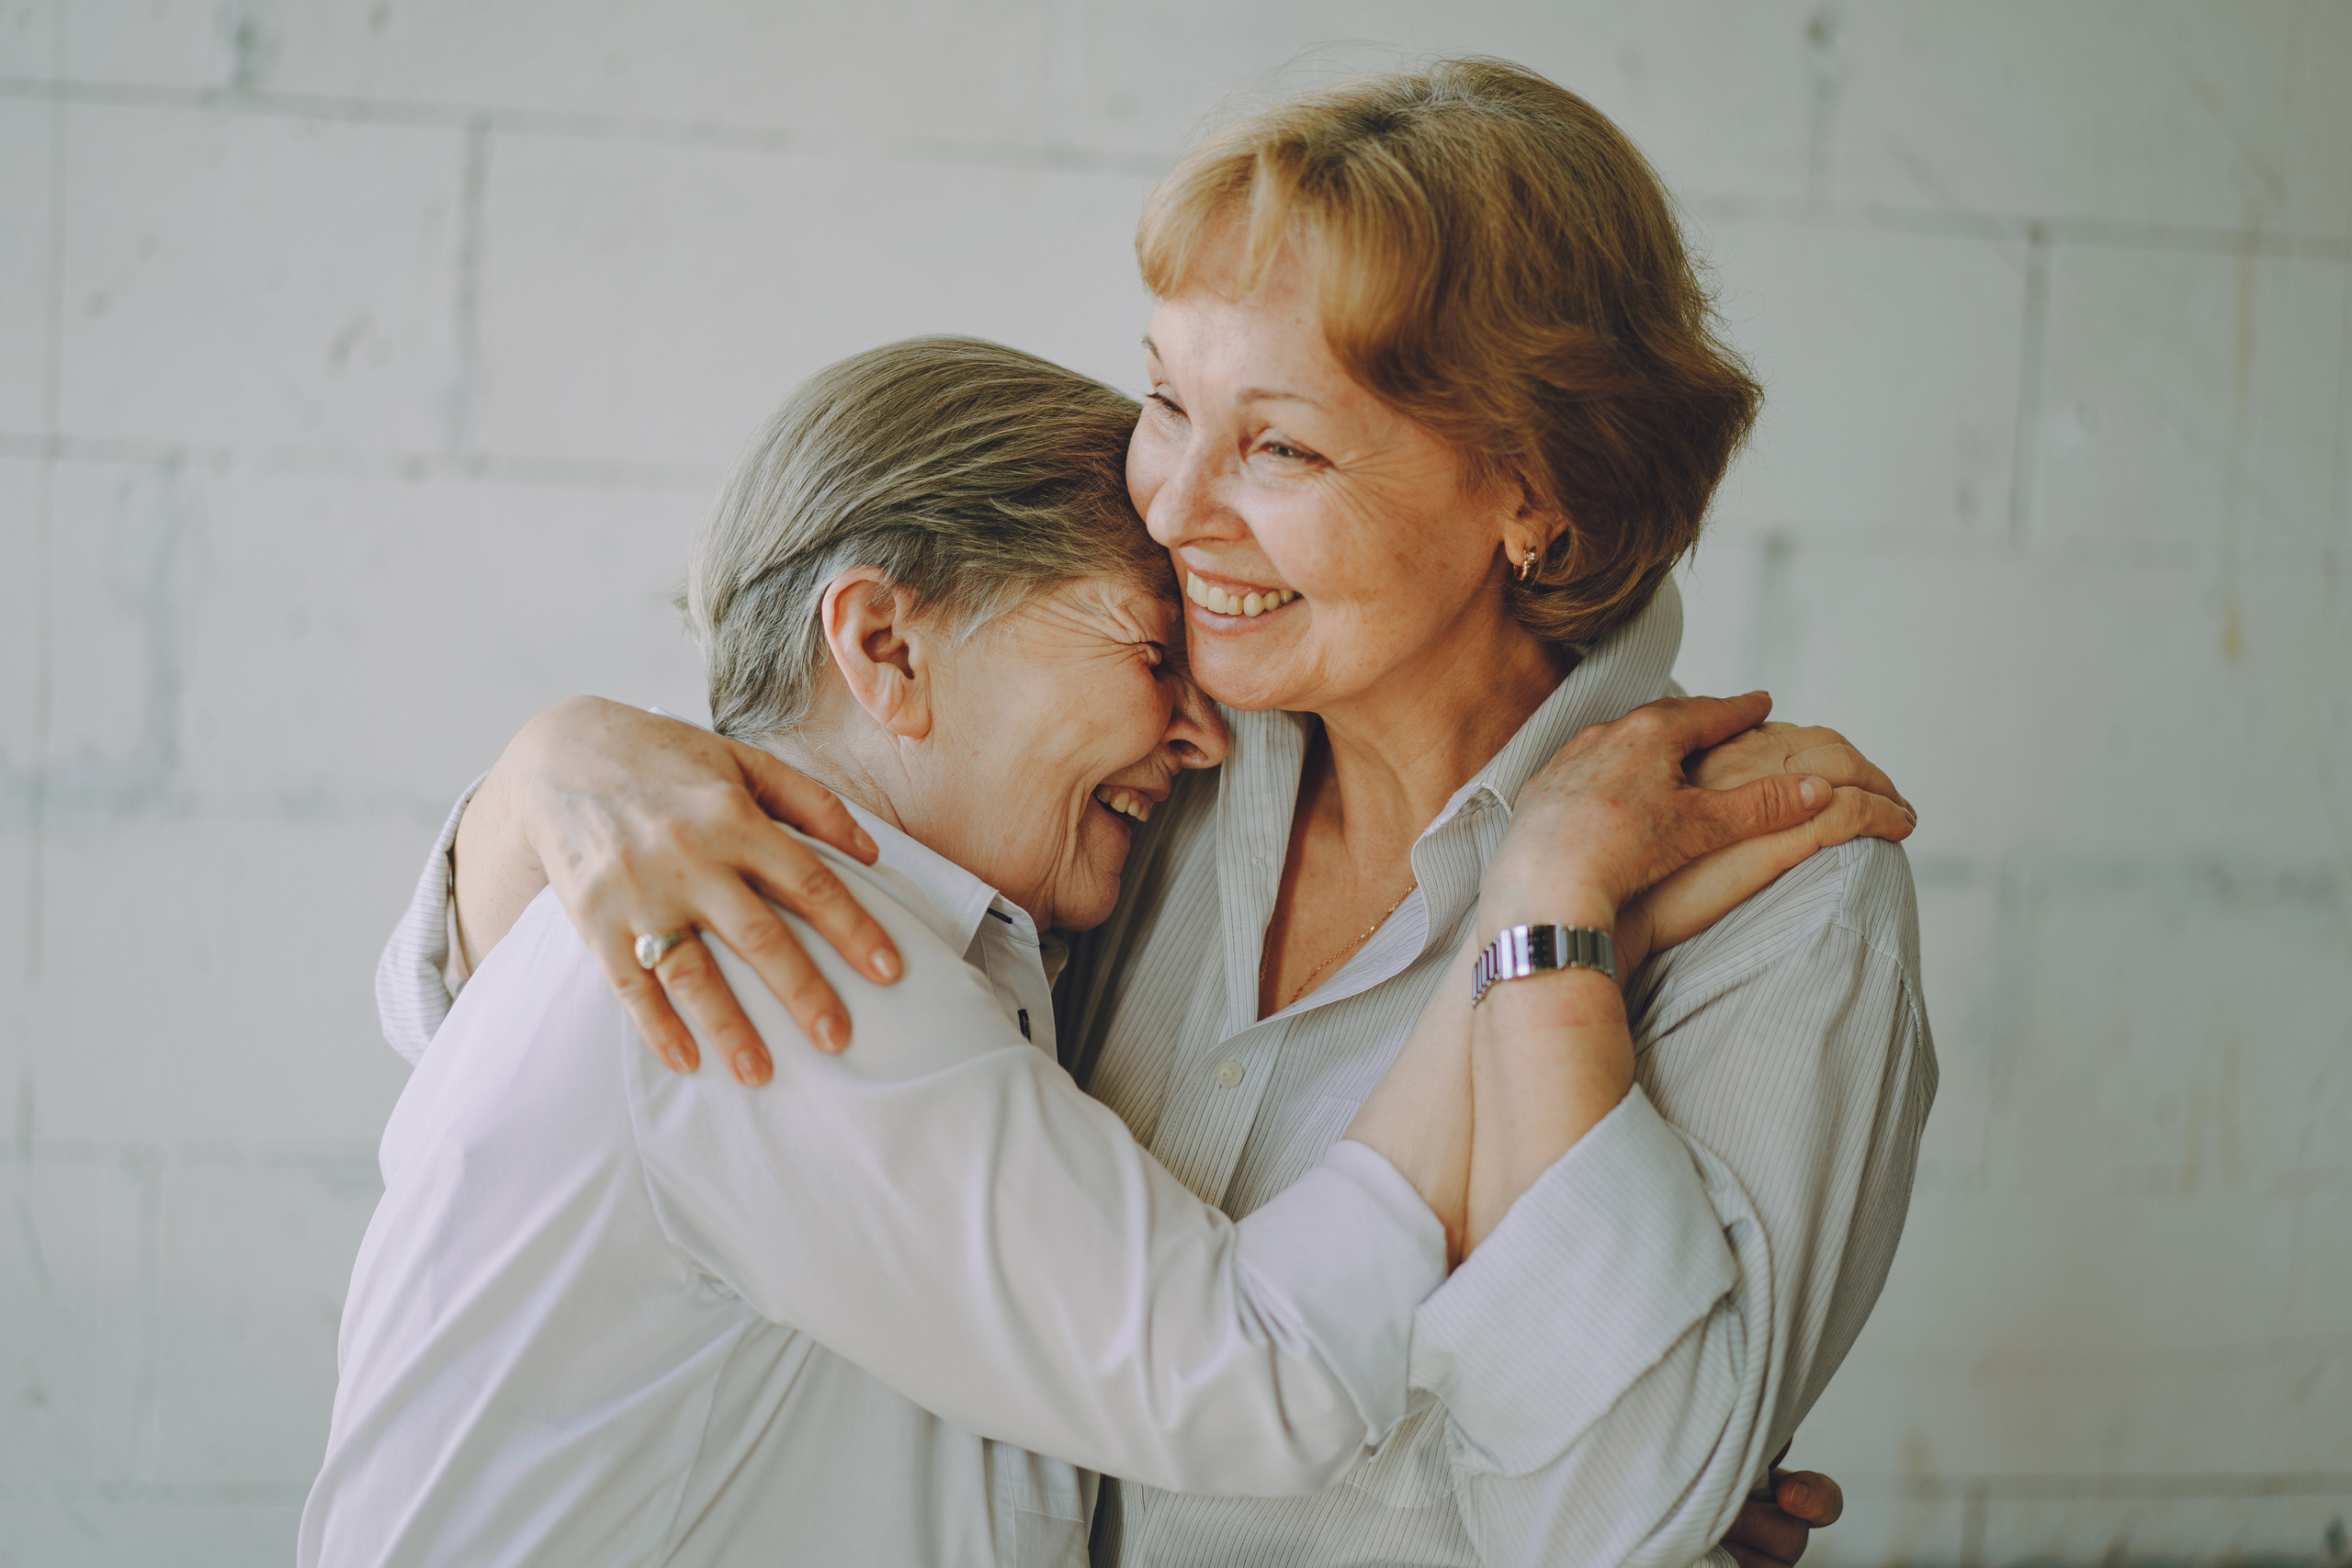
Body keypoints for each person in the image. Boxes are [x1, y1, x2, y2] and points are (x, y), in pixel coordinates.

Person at [378, 61, 1932, 1568]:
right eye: (1166, 400)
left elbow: (1601, 1525)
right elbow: (536, 1046)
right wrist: (551, 770)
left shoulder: (1776, 891)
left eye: (1277, 444)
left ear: (1534, 498)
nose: (1173, 506)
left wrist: (1546, 949)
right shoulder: (1152, 757)